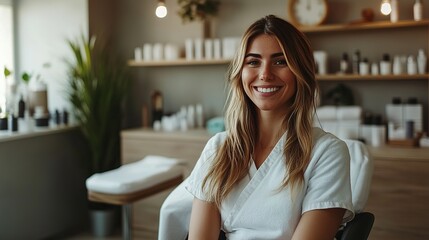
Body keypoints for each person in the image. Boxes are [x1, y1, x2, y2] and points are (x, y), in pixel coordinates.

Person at [185, 15, 354, 240]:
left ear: (300, 72)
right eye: (253, 62)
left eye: (280, 61)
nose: (265, 74)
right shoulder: (219, 147)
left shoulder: (327, 152)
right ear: (240, 74)